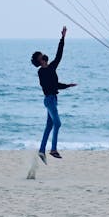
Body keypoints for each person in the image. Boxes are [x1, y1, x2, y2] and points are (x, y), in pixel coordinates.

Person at [31, 26, 76, 163]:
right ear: (40, 60)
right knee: (58, 123)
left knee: (49, 126)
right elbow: (50, 86)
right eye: (41, 55)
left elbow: (59, 55)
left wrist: (62, 38)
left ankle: (41, 150)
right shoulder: (41, 72)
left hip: (53, 99)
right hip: (49, 100)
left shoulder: (51, 67)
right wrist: (64, 86)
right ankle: (53, 149)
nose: (44, 55)